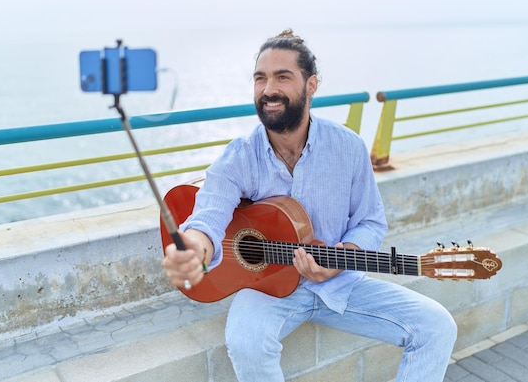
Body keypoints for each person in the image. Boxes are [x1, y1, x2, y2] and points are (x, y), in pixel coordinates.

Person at [162, 29, 457, 381]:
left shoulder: (348, 147)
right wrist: (193, 249)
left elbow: (371, 222)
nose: (268, 89)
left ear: (311, 84)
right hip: (267, 289)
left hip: (339, 282)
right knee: (246, 341)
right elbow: (207, 217)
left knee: (437, 326)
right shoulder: (239, 156)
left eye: (282, 77)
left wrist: (340, 258)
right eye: (260, 78)